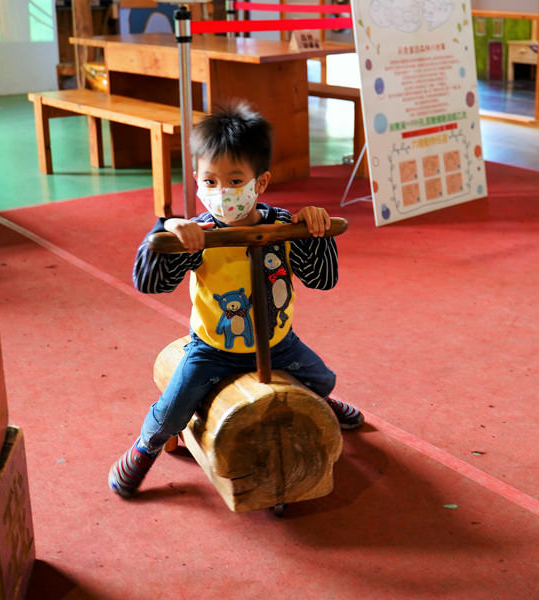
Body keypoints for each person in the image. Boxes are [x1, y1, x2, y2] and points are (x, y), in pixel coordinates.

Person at [109, 102, 364, 499]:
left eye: (234, 180)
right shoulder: (199, 234)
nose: (222, 192)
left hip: (279, 343)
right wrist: (169, 230)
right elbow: (150, 284)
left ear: (259, 184)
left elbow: (323, 280)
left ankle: (326, 402)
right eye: (209, 181)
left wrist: (317, 231)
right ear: (195, 179)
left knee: (323, 380)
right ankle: (145, 449)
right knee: (172, 412)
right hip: (214, 348)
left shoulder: (282, 227)